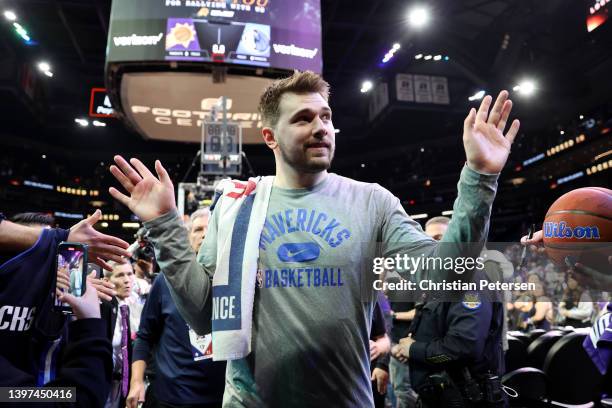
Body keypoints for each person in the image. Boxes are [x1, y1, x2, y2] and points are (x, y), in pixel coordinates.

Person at [107, 71, 520, 406]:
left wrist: (479, 179)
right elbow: (202, 315)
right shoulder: (236, 203)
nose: (321, 127)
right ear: (270, 137)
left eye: (325, 116)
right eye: (303, 118)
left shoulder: (372, 200)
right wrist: (164, 224)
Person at [0, 211, 127, 384]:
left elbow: (79, 394)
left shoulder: (78, 301)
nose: (51, 268)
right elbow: (80, 396)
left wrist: (82, 316)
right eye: (40, 257)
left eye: (55, 257)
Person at [391, 216, 505, 407]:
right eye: (428, 241)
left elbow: (464, 348)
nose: (433, 247)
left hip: (466, 399)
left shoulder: (469, 279)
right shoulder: (441, 283)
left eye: (439, 238)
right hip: (441, 396)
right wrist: (411, 349)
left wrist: (414, 349)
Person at [127, 274, 226, 408]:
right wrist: (136, 382)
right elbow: (145, 336)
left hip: (222, 396)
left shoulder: (232, 277)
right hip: (172, 395)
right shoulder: (167, 280)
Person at [101, 260, 136, 408]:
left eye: (130, 274)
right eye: (120, 275)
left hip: (120, 385)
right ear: (107, 281)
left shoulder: (125, 308)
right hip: (101, 383)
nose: (127, 280)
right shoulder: (100, 307)